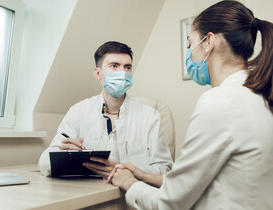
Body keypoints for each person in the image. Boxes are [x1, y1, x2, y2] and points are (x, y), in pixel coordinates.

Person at [108, 1, 273, 210]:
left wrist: (129, 182)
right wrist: (144, 176)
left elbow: (167, 207)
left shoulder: (219, 102)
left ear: (209, 42)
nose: (189, 52)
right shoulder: (267, 103)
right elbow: (222, 180)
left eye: (190, 43)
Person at [38, 41, 173, 178]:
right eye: (114, 66)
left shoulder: (149, 116)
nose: (122, 72)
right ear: (98, 73)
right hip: (89, 193)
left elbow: (165, 168)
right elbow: (44, 162)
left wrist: (122, 169)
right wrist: (63, 155)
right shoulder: (78, 111)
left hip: (131, 193)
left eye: (127, 67)